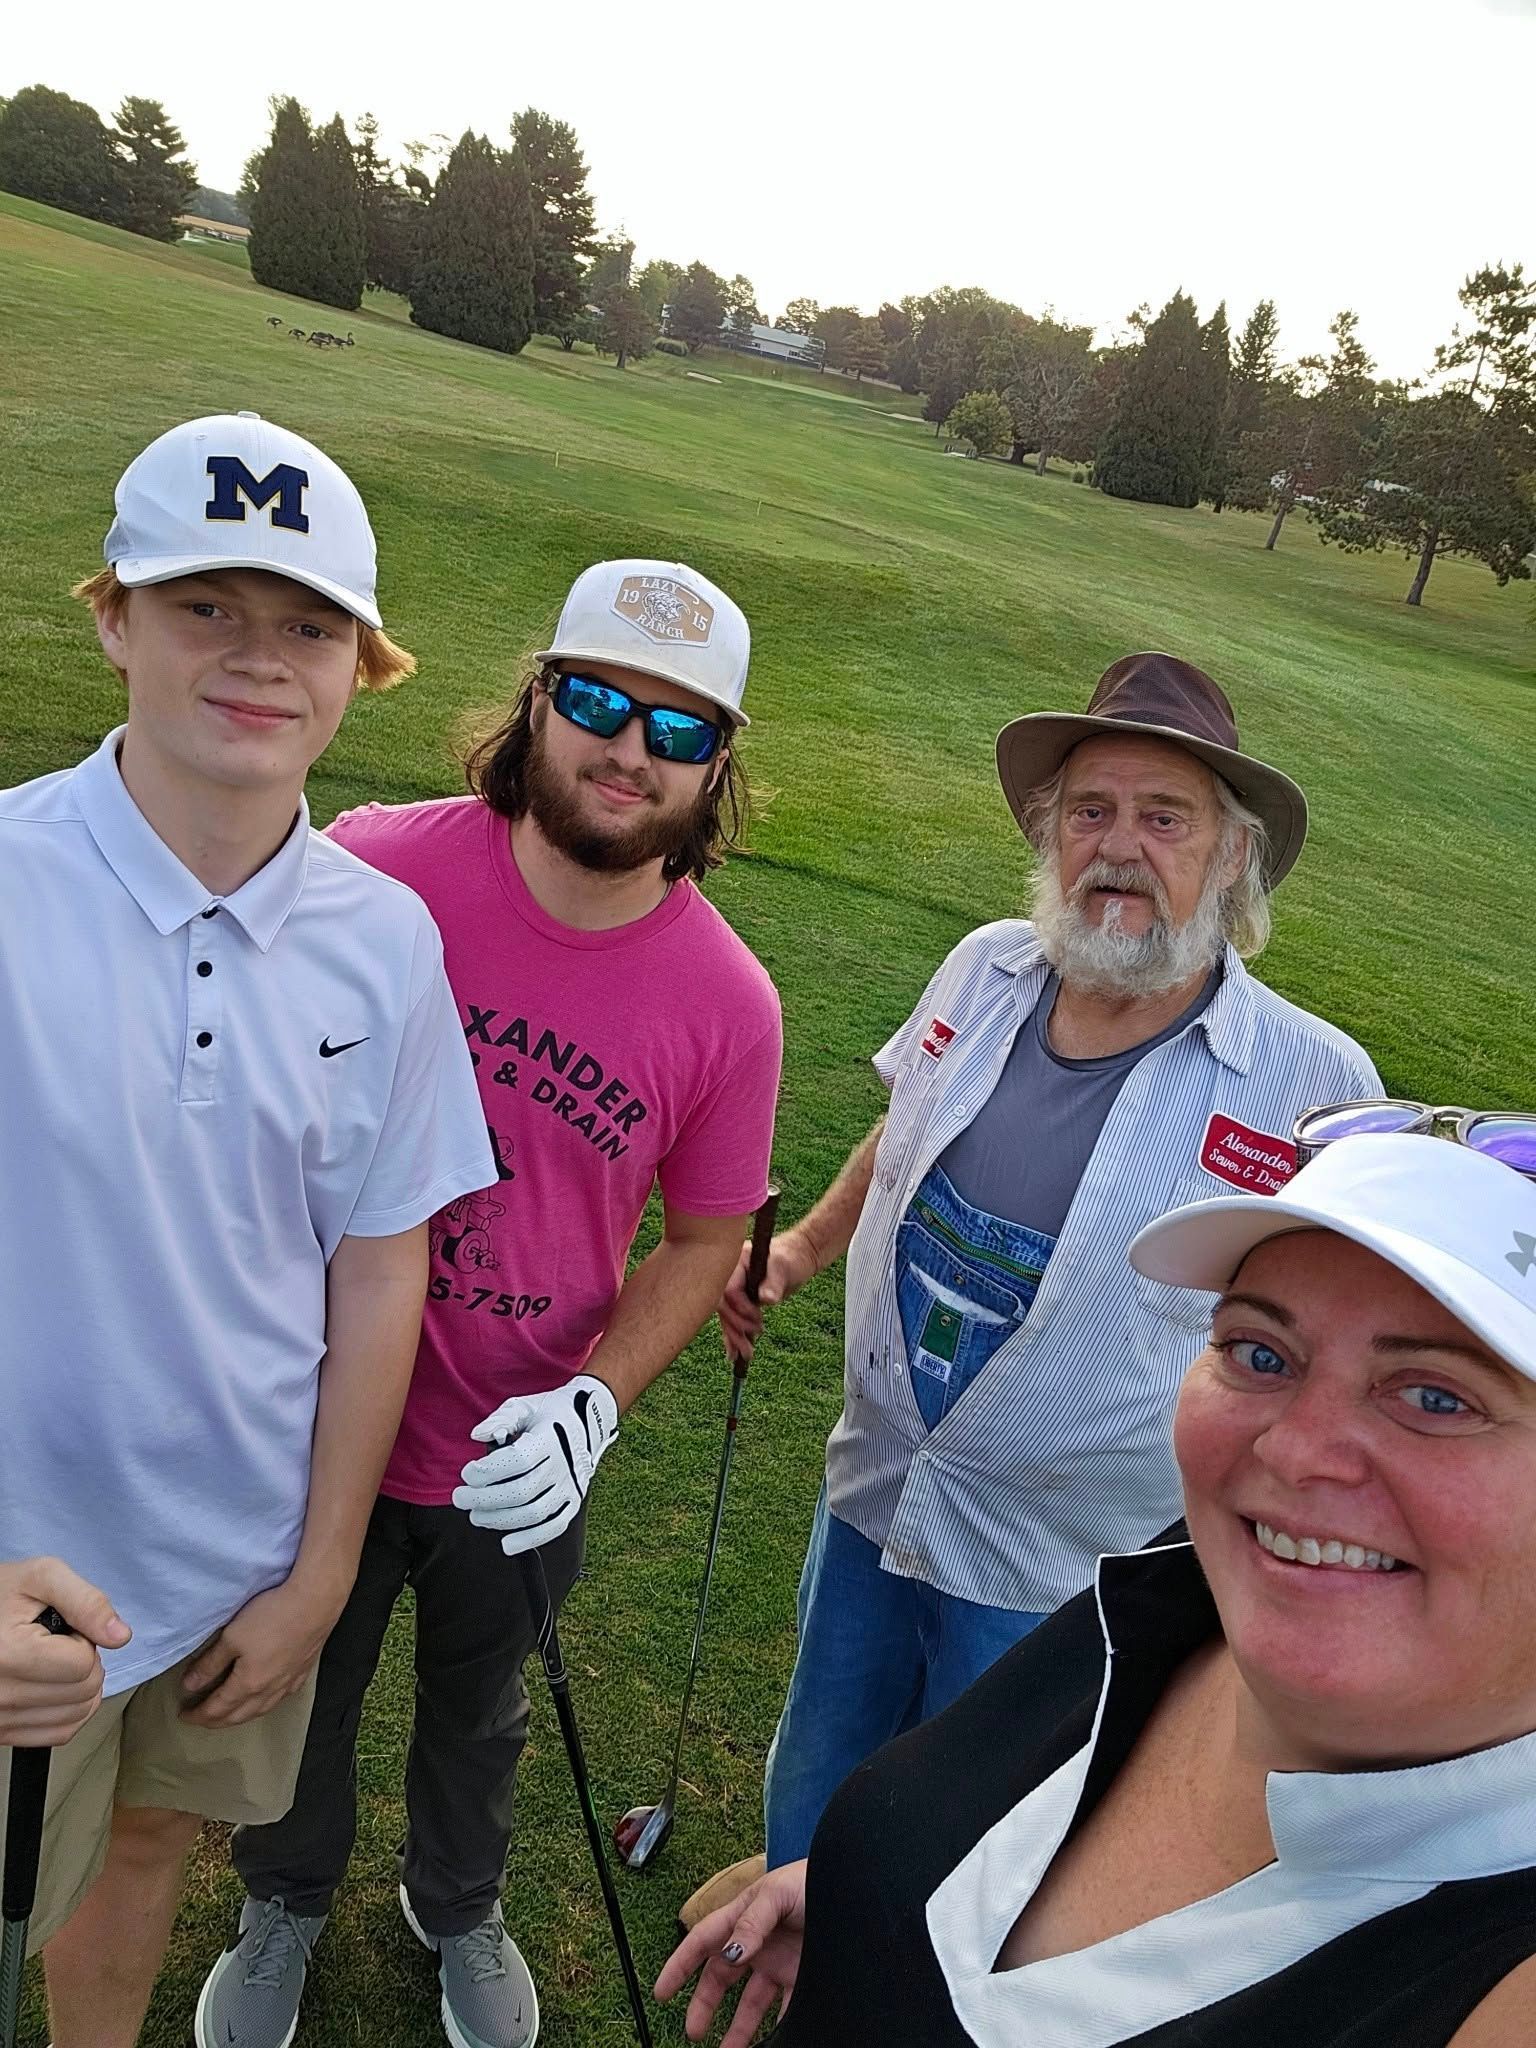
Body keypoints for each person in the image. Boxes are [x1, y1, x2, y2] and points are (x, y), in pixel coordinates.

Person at [198, 560, 783, 2048]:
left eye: (679, 727)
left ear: (718, 767)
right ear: (536, 703)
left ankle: (454, 1905)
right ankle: (286, 1898)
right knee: (291, 1700)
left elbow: (709, 1238)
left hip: (513, 1460)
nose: (628, 748)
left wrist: (594, 1403)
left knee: (480, 1713)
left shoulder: (729, 1002)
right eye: (596, 700)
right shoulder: (374, 863)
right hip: (305, 1416)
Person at [696, 651, 1380, 1910]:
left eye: (1164, 817)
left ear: (1232, 857)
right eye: (1091, 811)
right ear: (1049, 834)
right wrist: (800, 1248)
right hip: (876, 1482)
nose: (1119, 848)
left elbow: (1332, 1345)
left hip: (1058, 1563)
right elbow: (901, 1128)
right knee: (823, 1760)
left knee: (980, 1844)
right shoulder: (982, 964)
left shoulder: (1311, 1081)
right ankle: (795, 1922)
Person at [660, 1124, 1536, 2047]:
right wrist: (875, 1901)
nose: (1292, 1450)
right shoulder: (1186, 1581)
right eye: (1260, 1352)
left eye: (1437, 1397)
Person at [0, 413, 494, 2048]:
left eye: (305, 624)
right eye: (207, 605)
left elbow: (377, 1260)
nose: (258, 658)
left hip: (234, 1562)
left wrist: (323, 1565)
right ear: (114, 618)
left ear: (360, 666)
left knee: (145, 1854)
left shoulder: (386, 937)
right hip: (23, 1571)